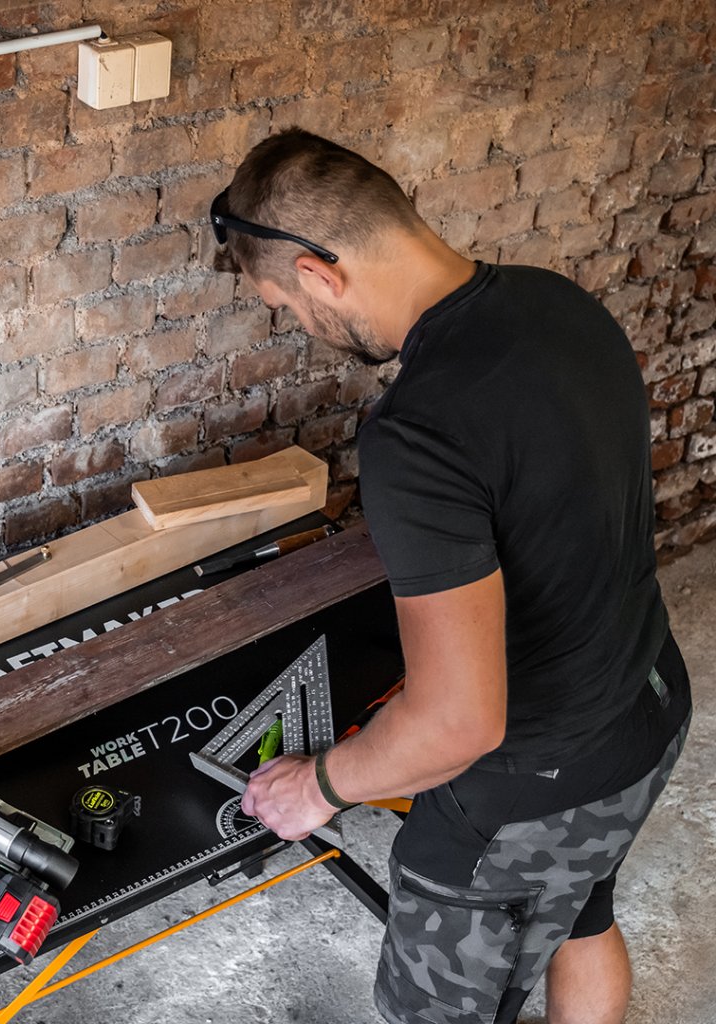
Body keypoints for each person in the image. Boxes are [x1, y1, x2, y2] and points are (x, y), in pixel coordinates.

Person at [212, 129, 692, 1024]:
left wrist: (318, 786)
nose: (301, 327)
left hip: (531, 788)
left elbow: (458, 722)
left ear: (319, 274)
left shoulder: (417, 432)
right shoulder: (558, 302)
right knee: (578, 915)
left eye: (286, 306)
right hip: (649, 704)